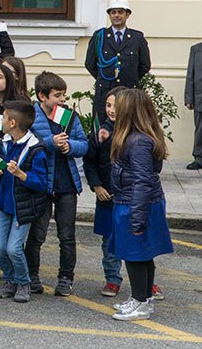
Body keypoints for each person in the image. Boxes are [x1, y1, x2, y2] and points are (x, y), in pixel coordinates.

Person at [109, 89, 174, 322]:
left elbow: (142, 180)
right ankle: (142, 299)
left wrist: (137, 218)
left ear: (129, 110)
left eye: (118, 105)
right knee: (141, 255)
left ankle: (141, 303)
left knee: (135, 254)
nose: (114, 109)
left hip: (136, 204)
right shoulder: (135, 137)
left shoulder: (138, 141)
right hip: (132, 201)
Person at [27, 71, 89, 297]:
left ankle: (66, 278)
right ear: (42, 96)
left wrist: (69, 146)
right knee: (37, 234)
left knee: (67, 235)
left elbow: (84, 144)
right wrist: (50, 143)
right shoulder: (31, 116)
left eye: (63, 95)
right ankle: (32, 275)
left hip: (66, 185)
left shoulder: (68, 116)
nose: (62, 99)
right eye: (57, 95)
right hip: (42, 185)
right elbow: (27, 147)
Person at [0, 100, 48, 304]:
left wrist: (21, 174)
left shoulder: (36, 149)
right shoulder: (4, 142)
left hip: (22, 207)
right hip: (4, 203)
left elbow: (41, 183)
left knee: (14, 248)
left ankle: (23, 282)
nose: (1, 120)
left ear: (13, 122)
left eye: (4, 117)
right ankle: (11, 280)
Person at [84, 86, 126, 297]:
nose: (111, 110)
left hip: (131, 197)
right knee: (109, 241)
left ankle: (147, 281)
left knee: (138, 238)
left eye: (116, 106)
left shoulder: (136, 132)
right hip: (107, 196)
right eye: (108, 105)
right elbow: (90, 162)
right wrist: (96, 185)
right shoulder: (99, 133)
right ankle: (112, 278)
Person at [84, 0, 151, 124]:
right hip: (104, 93)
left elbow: (145, 65)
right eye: (113, 12)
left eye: (120, 12)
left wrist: (130, 78)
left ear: (127, 14)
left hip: (129, 92)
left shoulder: (137, 38)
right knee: (102, 132)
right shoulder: (99, 37)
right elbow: (90, 64)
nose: (116, 15)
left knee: (130, 128)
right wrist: (105, 77)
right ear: (109, 15)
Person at [183, 42, 202, 170]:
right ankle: (199, 158)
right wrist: (189, 97)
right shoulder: (196, 49)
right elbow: (190, 75)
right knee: (200, 129)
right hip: (200, 97)